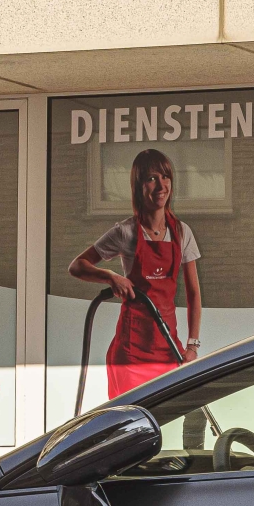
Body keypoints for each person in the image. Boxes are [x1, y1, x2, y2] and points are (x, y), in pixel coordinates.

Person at [70, 148, 204, 399]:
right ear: (139, 186)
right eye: (152, 178)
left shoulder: (182, 232)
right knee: (131, 427)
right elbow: (77, 265)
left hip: (167, 349)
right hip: (131, 354)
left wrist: (192, 346)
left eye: (165, 177)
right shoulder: (126, 232)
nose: (161, 186)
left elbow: (194, 294)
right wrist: (110, 276)